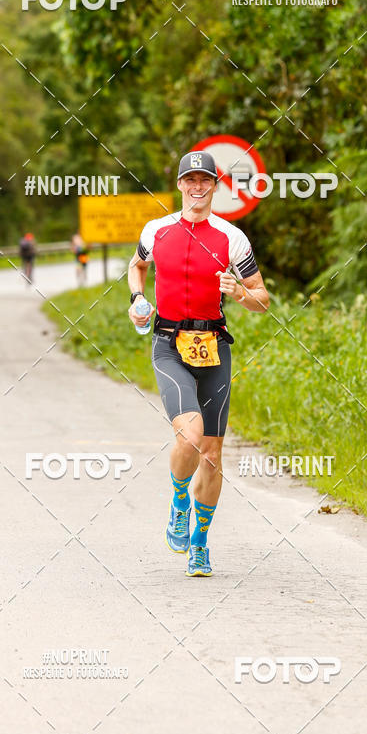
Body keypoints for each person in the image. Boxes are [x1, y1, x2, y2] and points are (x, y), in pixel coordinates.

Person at [128, 150, 269, 576]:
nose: (197, 187)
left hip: (213, 345)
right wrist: (137, 298)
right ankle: (178, 502)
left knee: (212, 452)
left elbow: (262, 298)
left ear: (215, 185)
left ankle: (200, 543)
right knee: (189, 437)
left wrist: (239, 293)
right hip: (169, 342)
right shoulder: (157, 230)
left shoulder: (232, 238)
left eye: (204, 180)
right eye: (189, 180)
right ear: (180, 184)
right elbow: (136, 266)